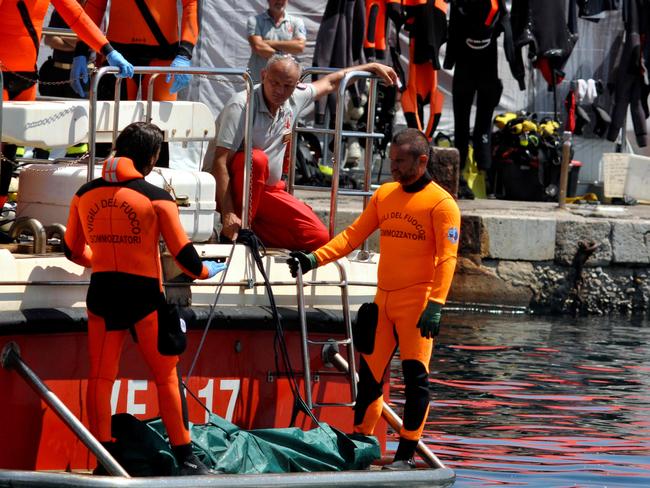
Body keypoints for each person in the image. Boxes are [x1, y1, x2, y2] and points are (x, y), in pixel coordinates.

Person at [287, 128, 461, 470]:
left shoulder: (442, 205)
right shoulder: (385, 195)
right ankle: (361, 446)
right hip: (384, 301)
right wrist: (313, 259)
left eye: (400, 161)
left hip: (418, 304)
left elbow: (447, 259)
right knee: (369, 379)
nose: (392, 167)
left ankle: (405, 456)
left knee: (415, 379)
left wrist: (436, 304)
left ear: (421, 160)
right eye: (390, 160)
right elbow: (353, 235)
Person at [63, 122, 225, 475]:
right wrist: (207, 271)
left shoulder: (83, 194)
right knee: (166, 377)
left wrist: (101, 263)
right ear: (151, 157)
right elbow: (185, 257)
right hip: (144, 298)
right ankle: (187, 460)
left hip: (103, 293)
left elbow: (72, 250)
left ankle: (103, 461)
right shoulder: (156, 198)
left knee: (101, 378)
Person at [204, 54, 397, 251]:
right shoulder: (241, 104)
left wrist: (371, 66)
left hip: (268, 190)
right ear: (263, 75)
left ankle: (253, 236)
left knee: (319, 238)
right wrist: (228, 214)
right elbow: (220, 162)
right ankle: (238, 233)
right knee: (257, 159)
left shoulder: (296, 97)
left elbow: (332, 82)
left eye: (287, 86)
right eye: (274, 82)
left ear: (297, 84)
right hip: (230, 189)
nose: (279, 90)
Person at [0, 0, 134, 211]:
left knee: (9, 152)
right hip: (2, 73)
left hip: (27, 76)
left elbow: (77, 17)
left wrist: (107, 50)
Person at [71, 0, 199, 100]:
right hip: (117, 55)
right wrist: (81, 51)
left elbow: (191, 6)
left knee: (160, 127)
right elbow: (95, 5)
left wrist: (185, 54)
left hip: (162, 55)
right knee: (110, 124)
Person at [247, 0, 306, 83]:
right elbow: (258, 47)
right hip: (259, 79)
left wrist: (269, 43)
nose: (279, 1)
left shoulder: (296, 21)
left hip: (286, 81)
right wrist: (285, 54)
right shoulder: (254, 21)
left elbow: (299, 46)